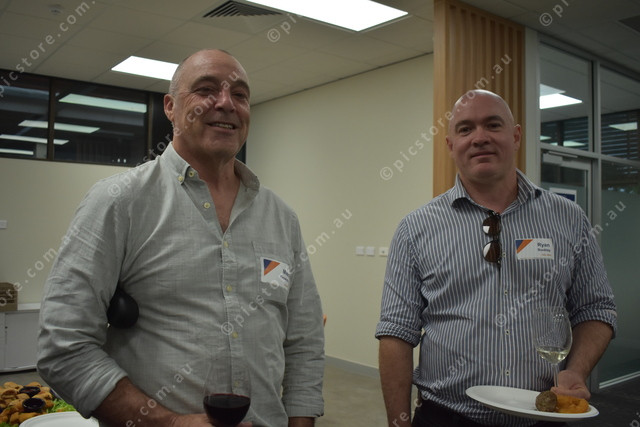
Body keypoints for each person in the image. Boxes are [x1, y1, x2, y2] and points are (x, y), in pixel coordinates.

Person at [37, 49, 324, 427]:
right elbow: (64, 346)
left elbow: (304, 341)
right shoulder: (120, 202)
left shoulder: (281, 217)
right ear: (171, 108)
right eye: (206, 90)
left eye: (240, 94)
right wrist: (170, 423)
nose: (226, 103)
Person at [375, 89, 616, 427]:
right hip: (446, 417)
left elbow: (596, 309)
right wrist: (398, 423)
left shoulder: (568, 218)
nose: (479, 138)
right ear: (450, 145)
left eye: (492, 125)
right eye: (465, 129)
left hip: (543, 415)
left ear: (515, 136)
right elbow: (396, 333)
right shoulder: (415, 229)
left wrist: (576, 370)